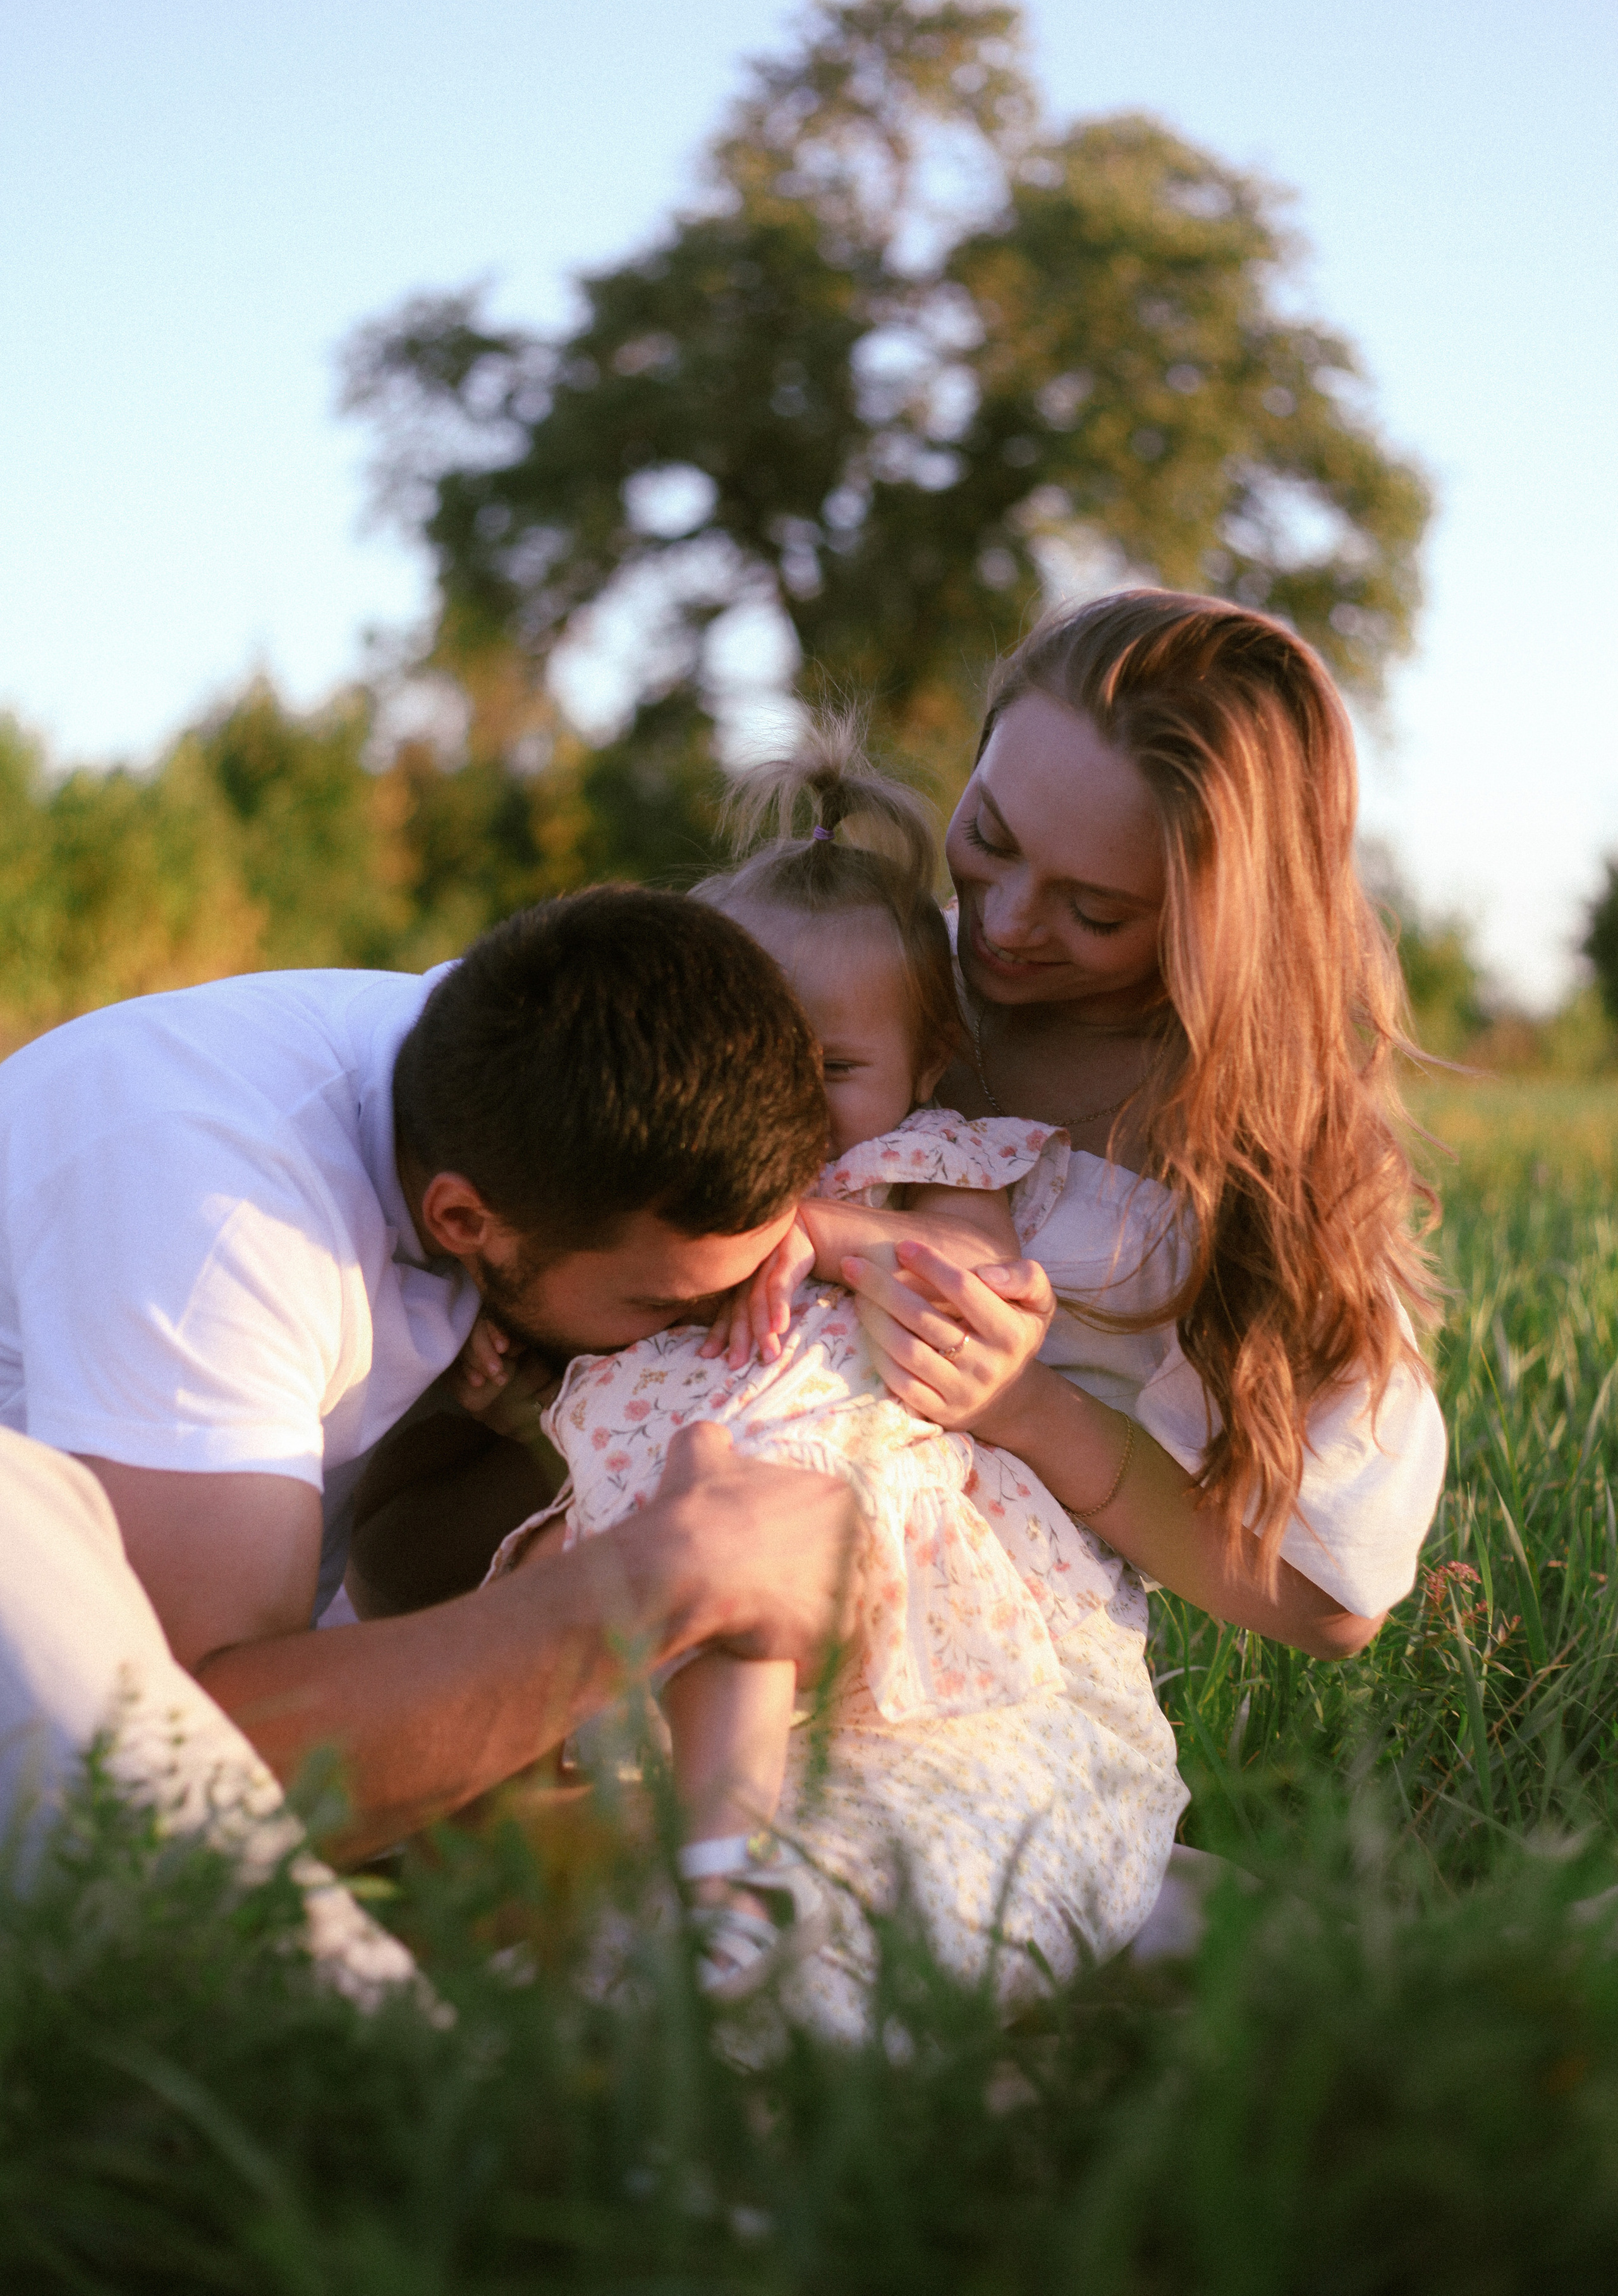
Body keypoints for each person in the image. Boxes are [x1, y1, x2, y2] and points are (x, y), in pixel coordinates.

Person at [464, 731, 1186, 2020]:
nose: (784, 1101)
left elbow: (980, 1285)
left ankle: (720, 1883)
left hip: (843, 1496)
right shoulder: (671, 1180)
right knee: (559, 1604)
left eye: (833, 1069)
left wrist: (825, 1232)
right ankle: (602, 1850)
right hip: (672, 1489)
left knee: (744, 1581)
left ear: (925, 1062)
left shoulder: (935, 1163)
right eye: (752, 1054)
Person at [0, 890, 858, 1931]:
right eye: (660, 1307)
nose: (685, 1329)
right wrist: (667, 1576)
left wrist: (848, 1235)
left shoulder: (506, 1071)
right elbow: (185, 1775)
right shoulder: (221, 1226)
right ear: (463, 1219)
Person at [830, 589, 1448, 1655]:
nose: (1009, 921)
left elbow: (1334, 1598)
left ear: (1220, 924)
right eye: (988, 834)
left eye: (1096, 910)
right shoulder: (858, 972)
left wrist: (1031, 1414)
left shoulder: (1245, 1164)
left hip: (972, 1633)